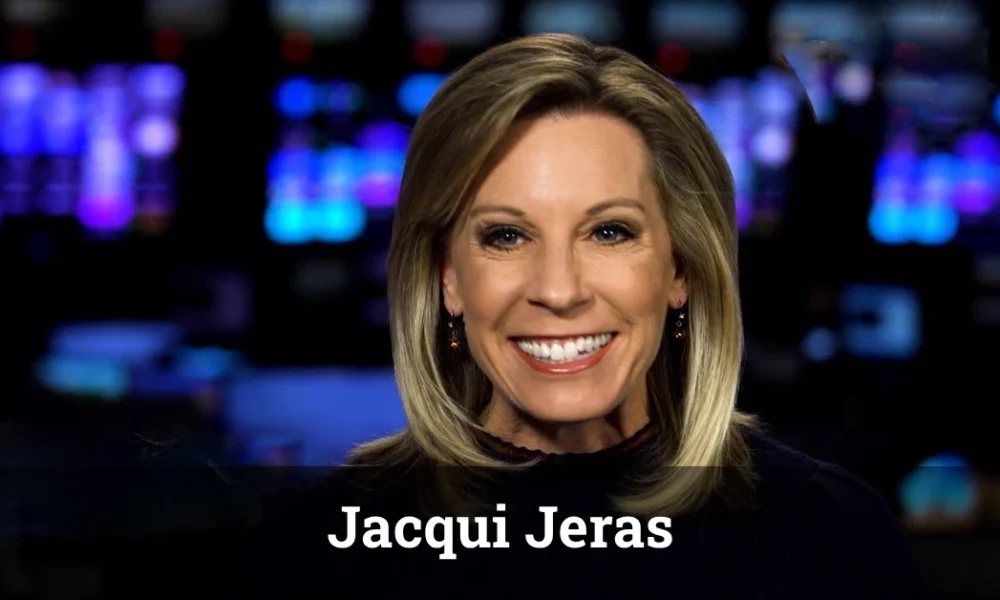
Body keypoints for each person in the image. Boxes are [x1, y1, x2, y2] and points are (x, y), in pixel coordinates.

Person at [230, 34, 927, 599]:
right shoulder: (314, 548)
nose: (559, 291)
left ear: (681, 269)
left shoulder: (825, 533)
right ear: (448, 277)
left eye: (610, 232)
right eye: (506, 236)